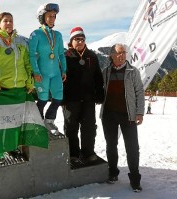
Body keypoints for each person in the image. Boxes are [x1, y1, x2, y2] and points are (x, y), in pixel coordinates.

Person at [0, 12, 35, 156]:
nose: (9, 23)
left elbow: (27, 64)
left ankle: (13, 148)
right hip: (2, 91)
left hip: (19, 90)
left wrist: (30, 83)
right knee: (1, 125)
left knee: (16, 123)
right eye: (5, 21)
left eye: (11, 20)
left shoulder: (21, 41)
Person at [100, 43, 145, 192]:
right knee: (111, 145)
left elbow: (139, 92)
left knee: (132, 147)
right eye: (119, 53)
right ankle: (113, 173)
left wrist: (139, 112)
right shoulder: (106, 71)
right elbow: (100, 90)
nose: (122, 55)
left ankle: (135, 180)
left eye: (124, 52)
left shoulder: (133, 71)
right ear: (112, 55)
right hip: (109, 114)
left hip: (129, 115)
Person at [63, 27, 105, 162]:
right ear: (71, 41)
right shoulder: (65, 56)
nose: (80, 42)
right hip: (70, 99)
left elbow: (98, 77)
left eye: (82, 39)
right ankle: (73, 154)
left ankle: (88, 152)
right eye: (76, 39)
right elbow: (60, 78)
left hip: (88, 99)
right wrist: (59, 97)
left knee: (89, 127)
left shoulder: (92, 56)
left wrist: (100, 94)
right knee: (71, 127)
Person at [29, 3, 67, 135]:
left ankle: (49, 121)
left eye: (54, 16)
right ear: (42, 17)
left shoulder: (59, 35)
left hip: (56, 73)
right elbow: (32, 55)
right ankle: (38, 123)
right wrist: (36, 72)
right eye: (49, 16)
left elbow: (61, 54)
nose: (52, 18)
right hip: (42, 73)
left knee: (58, 98)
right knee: (43, 99)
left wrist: (64, 70)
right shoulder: (36, 34)